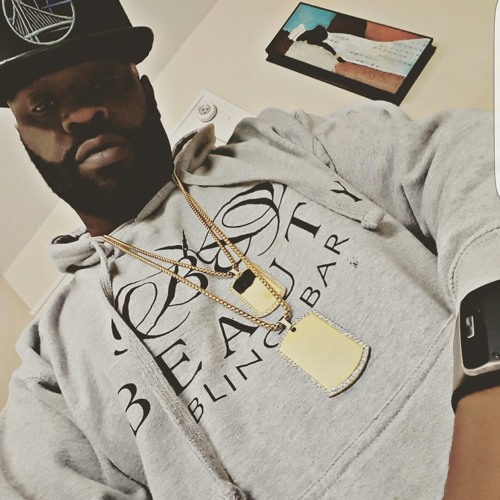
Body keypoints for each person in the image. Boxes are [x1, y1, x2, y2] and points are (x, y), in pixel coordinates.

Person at [0, 1, 499, 498]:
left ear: (146, 92)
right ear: (23, 139)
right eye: (42, 105)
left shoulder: (286, 143)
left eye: (103, 82)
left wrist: (487, 372)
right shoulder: (52, 362)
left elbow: (469, 156)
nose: (82, 113)